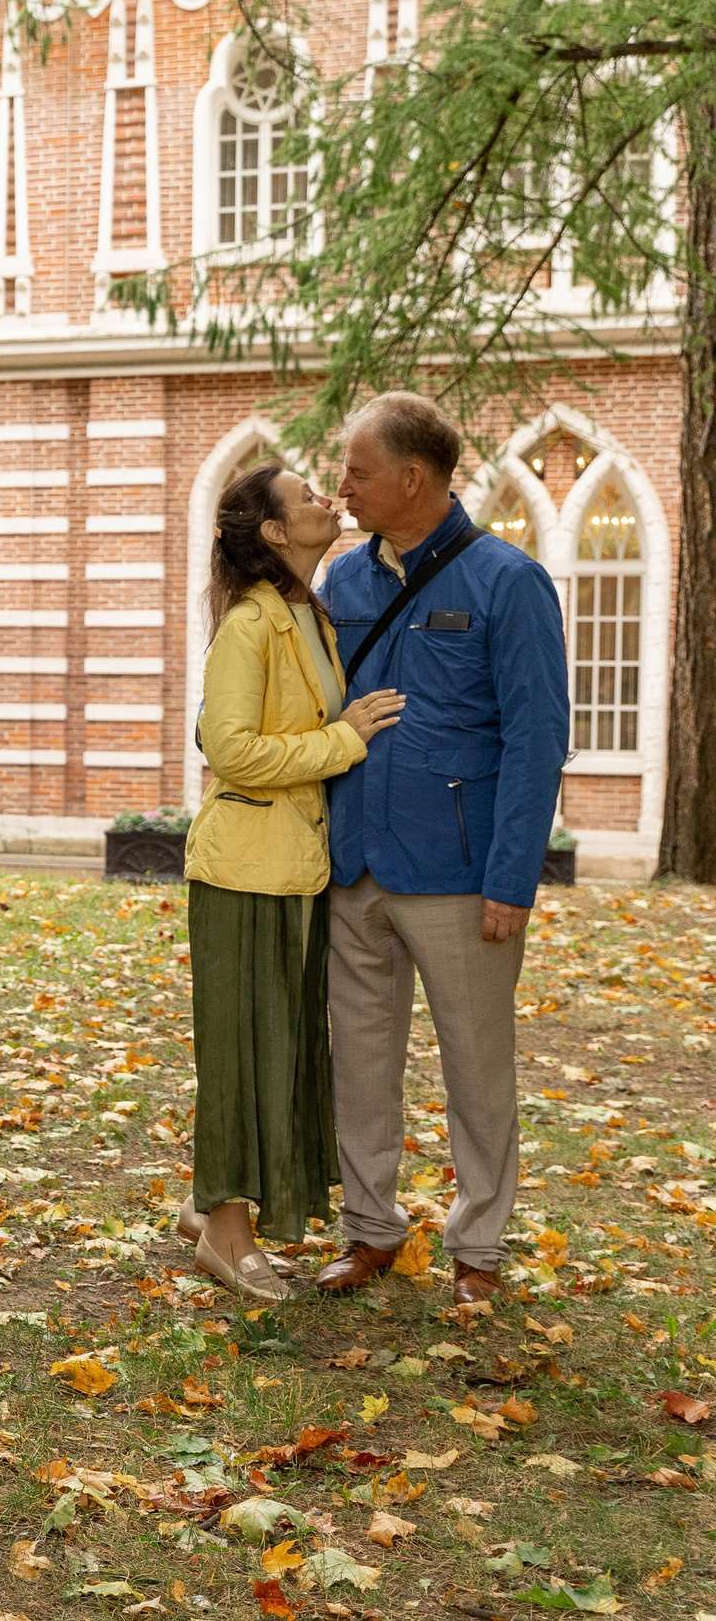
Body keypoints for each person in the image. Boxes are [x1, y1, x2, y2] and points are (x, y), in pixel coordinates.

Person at [313, 393, 569, 1308]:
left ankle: (479, 1250)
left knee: (477, 1069)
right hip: (355, 870)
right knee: (361, 1064)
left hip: (463, 878)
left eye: (358, 472)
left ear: (412, 480)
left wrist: (512, 880)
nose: (343, 487)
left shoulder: (508, 581)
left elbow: (537, 741)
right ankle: (371, 1229)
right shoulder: (341, 584)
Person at [179, 464, 405, 1302]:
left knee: (280, 1049)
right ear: (274, 533)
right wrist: (343, 740)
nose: (329, 500)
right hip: (242, 872)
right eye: (308, 496)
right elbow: (228, 750)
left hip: (298, 871)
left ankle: (211, 1213)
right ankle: (226, 1239)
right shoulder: (250, 625)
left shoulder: (309, 614)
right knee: (239, 1053)